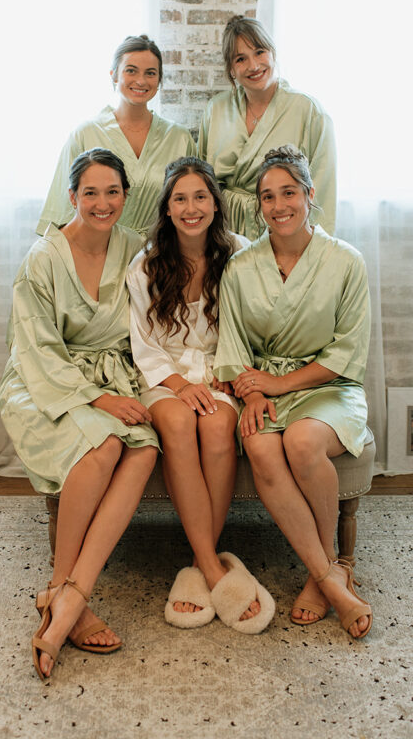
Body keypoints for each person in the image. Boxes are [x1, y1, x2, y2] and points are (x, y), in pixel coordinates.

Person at [0, 148, 159, 681]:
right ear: (72, 197)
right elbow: (35, 349)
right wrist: (97, 399)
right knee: (105, 444)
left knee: (141, 446)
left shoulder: (137, 249)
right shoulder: (42, 259)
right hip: (46, 382)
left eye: (113, 191)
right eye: (90, 192)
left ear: (126, 197)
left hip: (114, 376)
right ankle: (69, 592)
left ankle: (63, 596)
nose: (102, 202)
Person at [214, 145, 373, 640]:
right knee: (262, 443)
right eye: (267, 196)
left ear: (309, 195)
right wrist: (254, 392)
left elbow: (347, 352)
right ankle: (331, 575)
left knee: (302, 443)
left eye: (289, 192)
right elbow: (232, 344)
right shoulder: (242, 267)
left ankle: (317, 569)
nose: (279, 205)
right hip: (262, 388)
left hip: (327, 386)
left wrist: (280, 384)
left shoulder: (346, 262)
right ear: (258, 205)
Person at [126, 157, 275, 634]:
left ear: (216, 203)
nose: (191, 208)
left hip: (219, 370)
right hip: (165, 374)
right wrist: (179, 386)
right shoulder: (147, 263)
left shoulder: (241, 253)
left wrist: (231, 376)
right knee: (176, 423)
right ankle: (215, 568)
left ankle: (196, 562)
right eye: (180, 199)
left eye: (200, 197)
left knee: (215, 427)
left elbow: (251, 326)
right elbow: (144, 344)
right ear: (167, 208)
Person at [38, 34, 195, 237]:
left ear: (159, 80)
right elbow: (60, 216)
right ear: (114, 75)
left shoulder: (179, 138)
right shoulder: (85, 134)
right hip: (97, 253)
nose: (141, 80)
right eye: (131, 71)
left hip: (159, 257)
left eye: (150, 73)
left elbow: (193, 205)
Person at [197, 15, 336, 239]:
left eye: (260, 52)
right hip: (223, 233)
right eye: (240, 59)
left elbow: (323, 190)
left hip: (283, 230)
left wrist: (310, 251)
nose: (254, 65)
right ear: (231, 69)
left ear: (273, 53)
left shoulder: (308, 111)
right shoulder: (216, 109)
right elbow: (199, 182)